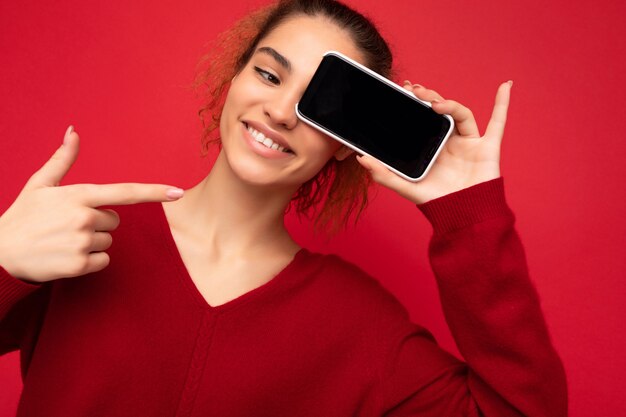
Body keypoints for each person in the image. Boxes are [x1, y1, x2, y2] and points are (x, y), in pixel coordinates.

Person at [0, 0, 567, 415]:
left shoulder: (359, 327)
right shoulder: (78, 235)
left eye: (318, 104)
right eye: (269, 74)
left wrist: (467, 212)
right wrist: (4, 262)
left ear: (347, 142)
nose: (280, 111)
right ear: (234, 79)